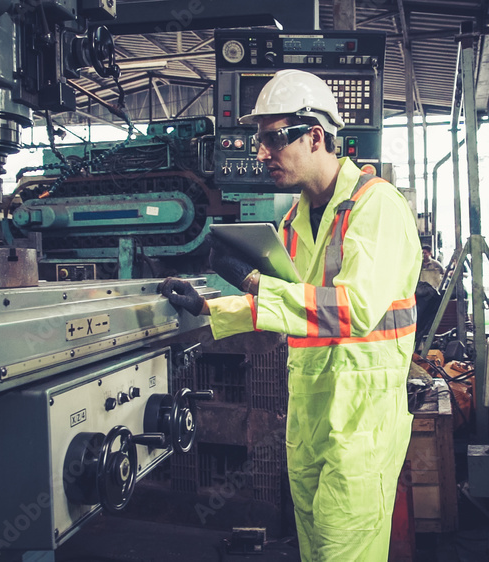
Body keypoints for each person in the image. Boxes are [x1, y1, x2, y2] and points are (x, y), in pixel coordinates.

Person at [158, 69, 420, 561]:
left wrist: (256, 281)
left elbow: (353, 310)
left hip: (360, 424)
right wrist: (209, 308)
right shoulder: (294, 220)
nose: (261, 153)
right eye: (260, 140)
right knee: (316, 553)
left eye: (273, 138)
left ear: (316, 135)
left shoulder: (375, 206)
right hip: (310, 419)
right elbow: (288, 308)